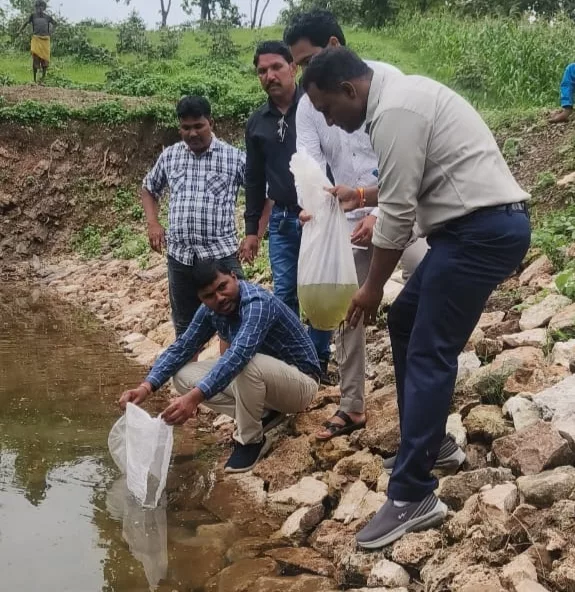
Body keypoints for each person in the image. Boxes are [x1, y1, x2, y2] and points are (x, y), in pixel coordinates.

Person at [302, 47, 531, 547]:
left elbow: (400, 216)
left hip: (482, 231)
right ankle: (433, 447)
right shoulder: (393, 94)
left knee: (431, 350)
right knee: (406, 321)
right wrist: (358, 196)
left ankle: (412, 495)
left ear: (348, 90)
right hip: (468, 229)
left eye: (327, 110)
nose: (331, 123)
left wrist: (370, 288)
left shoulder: (395, 111)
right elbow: (406, 183)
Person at [284, 9, 429, 440]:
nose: (304, 75)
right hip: (345, 216)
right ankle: (352, 406)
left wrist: (377, 213)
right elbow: (307, 163)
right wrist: (312, 206)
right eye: (299, 66)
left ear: (333, 47)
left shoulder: (387, 84)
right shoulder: (308, 106)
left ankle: (428, 377)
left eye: (307, 62)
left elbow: (403, 164)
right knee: (348, 305)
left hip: (398, 209)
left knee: (426, 271)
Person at [119, 259, 321, 473]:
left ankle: (250, 440)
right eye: (209, 296)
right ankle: (263, 415)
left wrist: (194, 399)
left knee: (245, 363)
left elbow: (238, 354)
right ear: (201, 299)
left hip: (301, 384)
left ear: (234, 277)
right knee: (183, 376)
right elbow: (183, 347)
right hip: (264, 380)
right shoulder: (210, 311)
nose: (219, 298)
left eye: (222, 287)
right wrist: (146, 387)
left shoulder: (257, 303)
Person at [240, 41, 332, 382]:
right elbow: (254, 177)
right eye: (262, 71)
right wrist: (252, 230)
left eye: (276, 67)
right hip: (281, 219)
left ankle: (320, 359)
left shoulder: (317, 108)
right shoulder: (257, 123)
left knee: (320, 289)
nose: (270, 75)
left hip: (318, 213)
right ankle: (298, 362)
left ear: (293, 67)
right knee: (284, 294)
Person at [142, 95, 246, 341]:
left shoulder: (234, 157)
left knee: (235, 323)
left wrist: (254, 234)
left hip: (221, 255)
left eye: (198, 126)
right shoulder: (170, 156)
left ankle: (230, 377)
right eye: (186, 128)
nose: (192, 133)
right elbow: (149, 188)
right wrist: (153, 223)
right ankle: (188, 380)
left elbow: (264, 195)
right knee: (185, 330)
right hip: (180, 257)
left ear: (211, 122)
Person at [17, 1, 56, 84]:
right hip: (36, 39)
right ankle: (34, 79)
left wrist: (51, 32)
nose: (40, 9)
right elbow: (25, 23)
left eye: (41, 7)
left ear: (44, 8)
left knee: (45, 60)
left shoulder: (47, 17)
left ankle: (42, 79)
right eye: (38, 7)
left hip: (45, 40)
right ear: (36, 8)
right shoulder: (33, 16)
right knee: (35, 58)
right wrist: (19, 31)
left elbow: (55, 24)